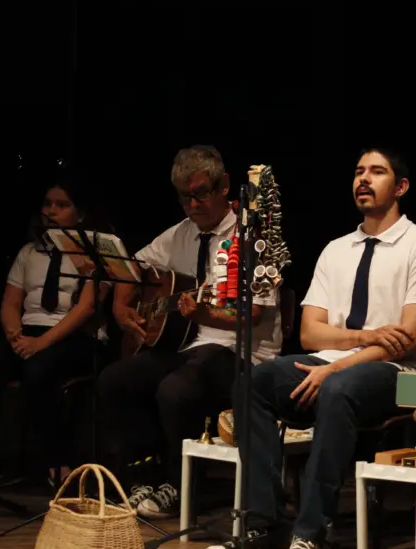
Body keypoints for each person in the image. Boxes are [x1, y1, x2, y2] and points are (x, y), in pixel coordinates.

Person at [205, 145, 416, 549]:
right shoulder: (337, 249)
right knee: (254, 382)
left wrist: (338, 366)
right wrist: (360, 338)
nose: (364, 179)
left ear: (401, 187)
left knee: (339, 388)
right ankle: (266, 522)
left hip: (396, 372)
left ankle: (313, 535)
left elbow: (407, 338)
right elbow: (309, 333)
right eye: (358, 171)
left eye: (377, 172)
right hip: (329, 361)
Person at [97, 145, 282, 519]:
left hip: (243, 354)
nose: (193, 205)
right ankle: (144, 478)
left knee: (175, 390)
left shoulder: (255, 237)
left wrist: (205, 313)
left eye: (201, 194)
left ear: (224, 185)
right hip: (190, 348)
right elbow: (130, 268)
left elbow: (253, 314)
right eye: (185, 197)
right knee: (116, 380)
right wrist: (121, 308)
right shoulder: (180, 234)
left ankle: (182, 486)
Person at [0, 175, 106, 485]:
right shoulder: (30, 252)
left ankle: (56, 463)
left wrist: (40, 344)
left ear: (80, 213)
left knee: (38, 372)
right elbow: (10, 303)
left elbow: (86, 308)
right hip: (29, 332)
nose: (51, 211)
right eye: (47, 204)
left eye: (61, 205)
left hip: (72, 335)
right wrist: (16, 335)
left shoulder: (94, 251)